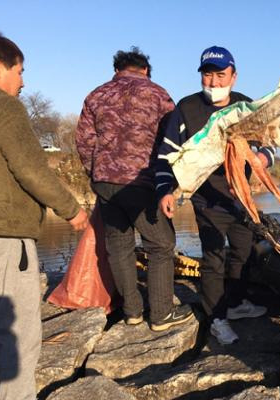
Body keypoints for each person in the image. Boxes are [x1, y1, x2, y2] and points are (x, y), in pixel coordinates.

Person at [0, 30, 89, 400]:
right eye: (20, 71)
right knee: (17, 327)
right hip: (5, 232)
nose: (23, 82)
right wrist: (73, 209)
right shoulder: (5, 108)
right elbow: (32, 170)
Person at [155, 46, 275, 344]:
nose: (213, 82)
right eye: (208, 75)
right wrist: (164, 189)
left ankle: (234, 304)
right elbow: (165, 155)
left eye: (220, 75)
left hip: (240, 196)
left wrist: (263, 159)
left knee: (242, 250)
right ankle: (217, 318)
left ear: (233, 77)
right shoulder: (187, 108)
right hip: (205, 197)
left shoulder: (246, 107)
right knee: (213, 256)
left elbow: (269, 142)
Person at [76, 47, 194, 331]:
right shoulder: (158, 94)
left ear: (117, 69)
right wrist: (171, 181)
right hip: (143, 181)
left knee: (119, 246)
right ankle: (162, 314)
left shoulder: (96, 94)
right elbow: (175, 138)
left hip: (105, 182)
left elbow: (83, 140)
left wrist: (97, 173)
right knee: (161, 245)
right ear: (145, 70)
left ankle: (132, 312)